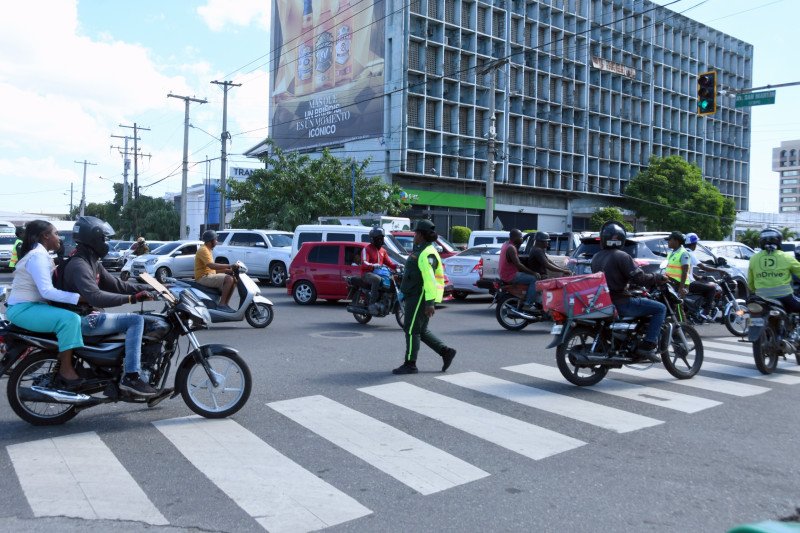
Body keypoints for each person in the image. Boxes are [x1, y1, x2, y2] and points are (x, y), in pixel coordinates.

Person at [56, 216, 157, 397]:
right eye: (104, 239)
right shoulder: (79, 264)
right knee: (135, 320)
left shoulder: (91, 261)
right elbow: (95, 297)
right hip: (83, 319)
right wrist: (132, 299)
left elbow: (117, 285)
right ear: (94, 239)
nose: (107, 243)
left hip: (88, 315)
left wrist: (153, 287)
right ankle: (131, 376)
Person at [5, 220, 85, 386]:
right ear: (45, 236)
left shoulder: (41, 255)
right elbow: (47, 291)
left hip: (31, 307)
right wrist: (79, 297)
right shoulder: (38, 256)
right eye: (56, 234)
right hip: (24, 309)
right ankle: (66, 369)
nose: (59, 238)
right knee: (70, 320)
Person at [591, 221, 668, 362]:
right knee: (660, 309)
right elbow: (640, 278)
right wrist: (657, 277)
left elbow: (611, 277)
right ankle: (648, 345)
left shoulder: (596, 257)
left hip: (604, 301)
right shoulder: (622, 256)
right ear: (622, 239)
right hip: (620, 301)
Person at [393, 220, 457, 375]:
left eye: (415, 233)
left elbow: (429, 279)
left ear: (421, 235)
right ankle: (445, 352)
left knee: (411, 329)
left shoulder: (427, 253)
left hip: (419, 296)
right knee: (420, 330)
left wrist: (430, 303)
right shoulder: (422, 250)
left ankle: (410, 364)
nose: (414, 236)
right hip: (415, 294)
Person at [747, 227, 800, 312]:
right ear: (778, 241)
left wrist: (755, 291)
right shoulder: (786, 257)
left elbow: (750, 282)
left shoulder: (753, 258)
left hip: (761, 297)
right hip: (784, 296)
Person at [684, 232, 729, 321]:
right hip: (688, 283)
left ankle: (698, 308)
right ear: (694, 244)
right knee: (712, 287)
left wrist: (697, 277)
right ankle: (706, 312)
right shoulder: (689, 253)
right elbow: (704, 267)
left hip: (684, 281)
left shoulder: (682, 252)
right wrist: (720, 270)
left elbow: (686, 270)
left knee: (704, 285)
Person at [497, 229, 540, 310]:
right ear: (514, 238)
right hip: (510, 275)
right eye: (520, 237)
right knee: (534, 279)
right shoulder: (511, 248)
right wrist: (533, 273)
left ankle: (526, 297)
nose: (522, 239)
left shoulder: (506, 244)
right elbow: (518, 265)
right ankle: (528, 304)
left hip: (504, 274)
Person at [195, 230, 236, 310]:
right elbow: (212, 266)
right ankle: (222, 304)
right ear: (211, 241)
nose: (217, 241)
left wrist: (228, 270)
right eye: (216, 239)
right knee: (229, 279)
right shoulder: (203, 250)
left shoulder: (208, 250)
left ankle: (225, 304)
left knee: (234, 280)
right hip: (202, 277)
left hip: (209, 275)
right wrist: (229, 265)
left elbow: (212, 269)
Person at [361, 227, 399, 315]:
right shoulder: (366, 249)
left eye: (381, 238)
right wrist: (373, 265)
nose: (380, 240)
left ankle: (386, 300)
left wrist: (398, 266)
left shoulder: (383, 251)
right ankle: (371, 304)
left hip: (380, 273)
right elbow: (364, 262)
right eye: (378, 238)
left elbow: (389, 263)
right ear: (372, 239)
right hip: (367, 273)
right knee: (377, 279)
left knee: (393, 280)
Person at [664, 231, 691, 298]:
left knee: (678, 303)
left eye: (670, 240)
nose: (668, 242)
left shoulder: (683, 253)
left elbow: (685, 272)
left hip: (679, 284)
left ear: (676, 241)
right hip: (671, 283)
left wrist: (681, 288)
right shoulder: (671, 253)